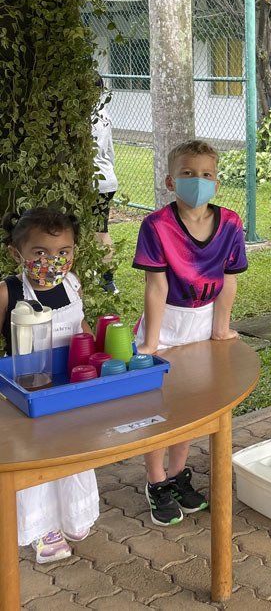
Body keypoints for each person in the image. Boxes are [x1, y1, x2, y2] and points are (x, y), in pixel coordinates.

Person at [133, 140, 247, 526]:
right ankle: (155, 481)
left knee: (189, 405)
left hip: (202, 323)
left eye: (206, 175)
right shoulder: (156, 225)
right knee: (157, 407)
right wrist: (150, 341)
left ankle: (177, 475)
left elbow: (229, 281)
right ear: (170, 180)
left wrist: (220, 328)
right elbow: (156, 286)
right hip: (165, 323)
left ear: (216, 181)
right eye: (187, 174)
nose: (197, 181)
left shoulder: (230, 223)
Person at [1, 208, 100, 563]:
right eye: (40, 253)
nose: (53, 262)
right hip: (28, 393)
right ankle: (42, 528)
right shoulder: (8, 291)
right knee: (37, 459)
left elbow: (81, 325)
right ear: (18, 254)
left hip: (72, 388)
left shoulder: (72, 284)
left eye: (63, 253)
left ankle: (75, 512)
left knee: (74, 450)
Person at [92, 76, 119, 295]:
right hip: (107, 179)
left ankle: (107, 280)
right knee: (100, 230)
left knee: (99, 231)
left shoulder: (83, 117)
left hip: (94, 183)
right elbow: (110, 151)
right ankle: (104, 278)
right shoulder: (103, 114)